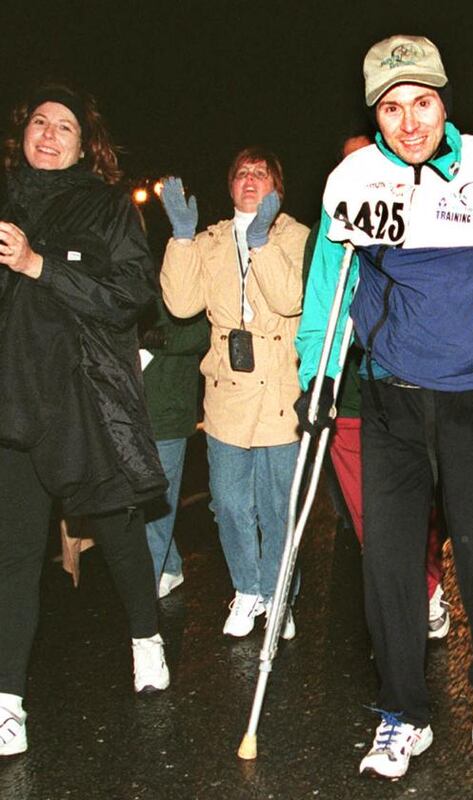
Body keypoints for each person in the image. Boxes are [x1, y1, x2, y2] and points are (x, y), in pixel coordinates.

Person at [296, 34, 473, 779]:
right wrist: (314, 367)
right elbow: (332, 281)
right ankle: (402, 711)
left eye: (422, 102)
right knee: (387, 563)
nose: (409, 121)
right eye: (392, 107)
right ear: (375, 113)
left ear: (443, 101)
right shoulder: (353, 179)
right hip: (391, 397)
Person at [0, 84, 170, 756]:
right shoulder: (6, 199)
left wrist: (39, 265)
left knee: (118, 532)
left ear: (83, 142)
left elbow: (132, 293)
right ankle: (8, 700)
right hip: (13, 405)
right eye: (38, 122)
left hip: (82, 402)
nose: (48, 134)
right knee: (13, 557)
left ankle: (145, 635)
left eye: (63, 126)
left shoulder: (104, 207)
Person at [302, 132, 451, 640]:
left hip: (405, 389)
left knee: (420, 501)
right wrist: (314, 378)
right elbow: (320, 305)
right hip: (350, 396)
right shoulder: (328, 227)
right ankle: (408, 596)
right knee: (373, 515)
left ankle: (427, 584)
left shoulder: (418, 212)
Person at [159, 147, 308, 638]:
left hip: (280, 390)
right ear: (229, 185)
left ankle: (279, 592)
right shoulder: (210, 240)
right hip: (225, 391)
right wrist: (181, 238)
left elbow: (290, 299)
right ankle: (248, 590)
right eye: (241, 172)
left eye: (260, 173)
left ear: (276, 186)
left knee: (276, 503)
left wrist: (261, 243)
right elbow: (181, 305)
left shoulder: (296, 236)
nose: (249, 180)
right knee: (227, 502)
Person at [140, 299, 209, 598]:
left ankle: (149, 578)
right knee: (143, 501)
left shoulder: (180, 278)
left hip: (167, 413)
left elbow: (203, 333)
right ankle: (169, 566)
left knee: (157, 499)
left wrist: (158, 339)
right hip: (132, 410)